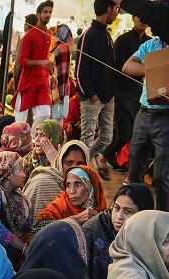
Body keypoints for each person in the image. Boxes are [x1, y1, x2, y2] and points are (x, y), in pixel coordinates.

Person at [123, 28, 169, 211]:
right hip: (144, 113)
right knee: (134, 167)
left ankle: (163, 222)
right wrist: (154, 71)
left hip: (166, 118)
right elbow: (127, 66)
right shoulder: (151, 44)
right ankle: (132, 214)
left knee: (162, 176)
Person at [83, 184, 154, 279]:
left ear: (143, 214)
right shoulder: (93, 230)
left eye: (128, 211)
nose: (119, 216)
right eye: (116, 208)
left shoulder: (150, 233)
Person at [100, 16, 149, 172]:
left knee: (135, 135)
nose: (142, 20)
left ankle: (132, 168)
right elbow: (118, 67)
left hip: (140, 94)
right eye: (139, 17)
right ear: (133, 18)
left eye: (146, 18)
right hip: (122, 92)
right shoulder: (123, 40)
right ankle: (103, 156)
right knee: (124, 134)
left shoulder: (150, 42)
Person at [76, 0, 118, 164]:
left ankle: (83, 164)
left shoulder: (106, 34)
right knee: (86, 138)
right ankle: (80, 169)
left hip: (108, 97)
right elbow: (80, 70)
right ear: (108, 9)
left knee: (106, 138)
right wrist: (90, 94)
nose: (116, 13)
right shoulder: (89, 34)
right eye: (116, 9)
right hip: (92, 97)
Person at [13, 1, 54, 131]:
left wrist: (52, 74)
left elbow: (46, 57)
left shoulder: (49, 34)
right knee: (20, 119)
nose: (48, 15)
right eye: (45, 12)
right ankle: (18, 142)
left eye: (50, 12)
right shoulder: (28, 36)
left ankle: (31, 139)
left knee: (45, 113)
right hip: (28, 81)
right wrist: (41, 62)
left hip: (42, 80)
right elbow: (22, 62)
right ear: (38, 14)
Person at [32, 165, 107, 233]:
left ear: (91, 187)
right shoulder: (62, 203)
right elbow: (37, 229)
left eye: (78, 184)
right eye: (68, 185)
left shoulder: (101, 211)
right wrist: (75, 220)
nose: (71, 191)